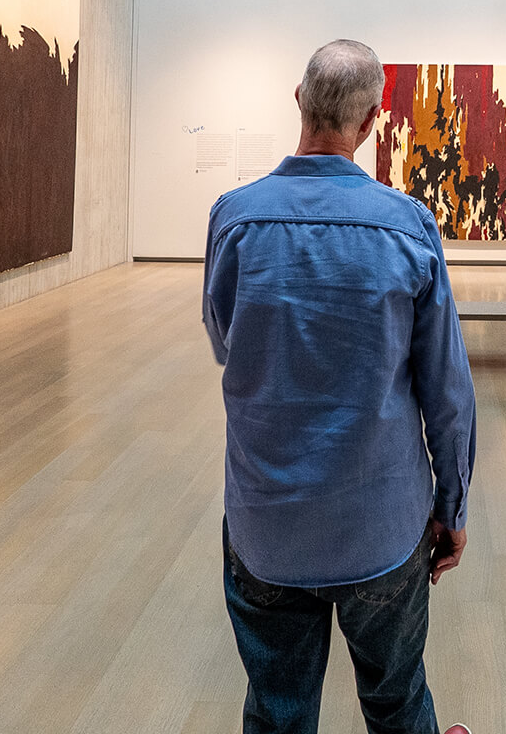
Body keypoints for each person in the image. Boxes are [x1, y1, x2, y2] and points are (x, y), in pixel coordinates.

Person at [204, 39, 478, 734]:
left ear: (298, 100)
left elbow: (224, 343)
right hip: (379, 528)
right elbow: (446, 389)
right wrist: (452, 504)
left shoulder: (233, 218)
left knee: (277, 711)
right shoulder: (409, 227)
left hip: (267, 526)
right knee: (396, 702)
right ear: (372, 121)